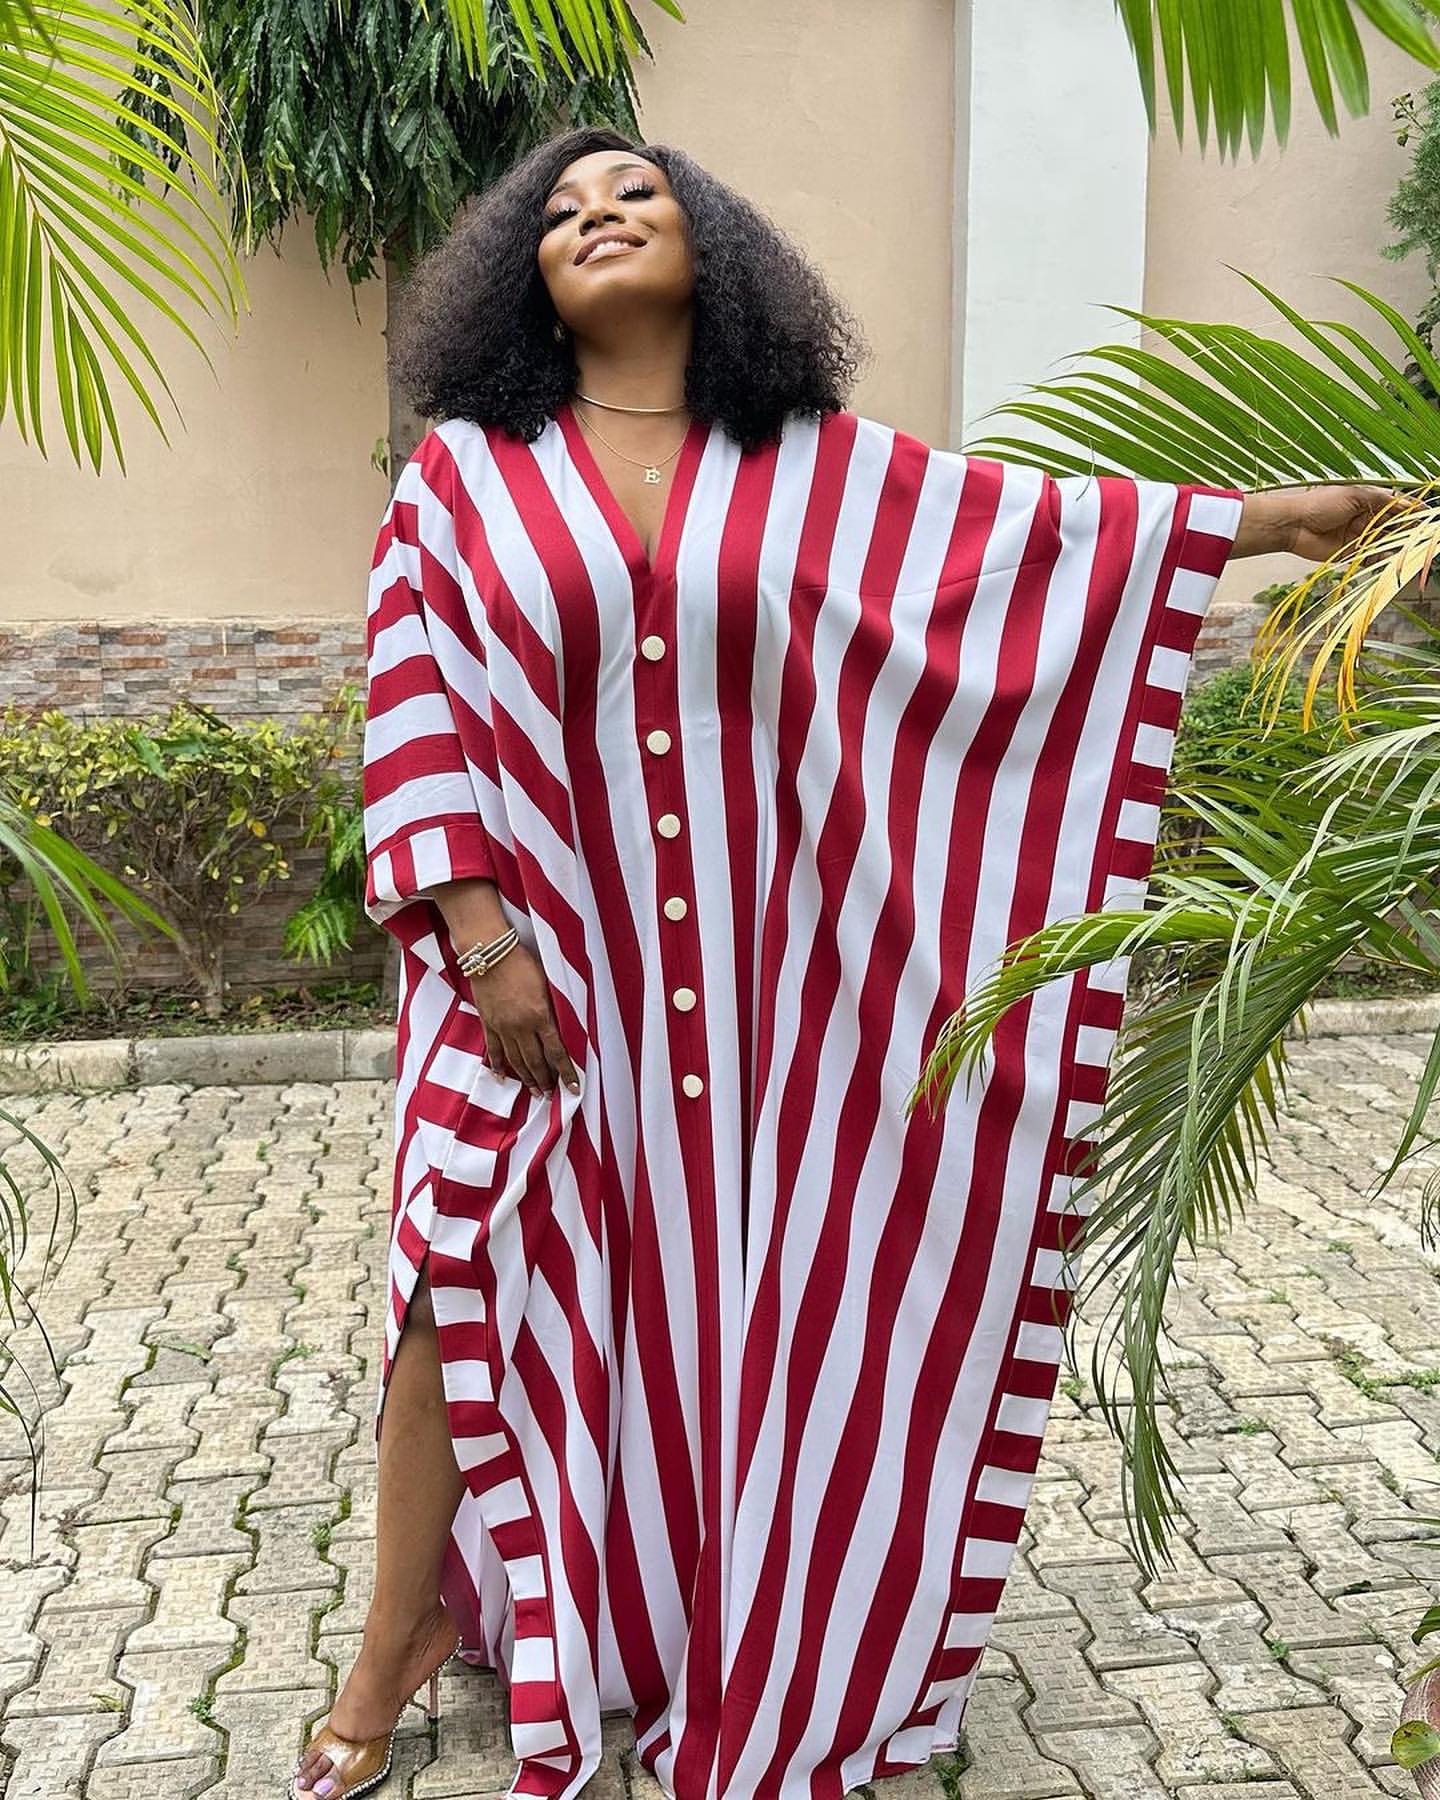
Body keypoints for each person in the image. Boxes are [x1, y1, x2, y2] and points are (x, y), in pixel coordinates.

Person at [290, 124, 1394, 1800]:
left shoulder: (810, 464)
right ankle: (396, 1639)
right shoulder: (463, 474)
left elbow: (1027, 545)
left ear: (711, 245)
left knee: (732, 1295)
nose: (597, 216)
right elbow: (413, 698)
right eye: (561, 210)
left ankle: (705, 1620)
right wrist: (477, 928)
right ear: (522, 276)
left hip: (758, 992)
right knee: (463, 1272)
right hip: (522, 969)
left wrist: (1267, 520)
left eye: (635, 193)